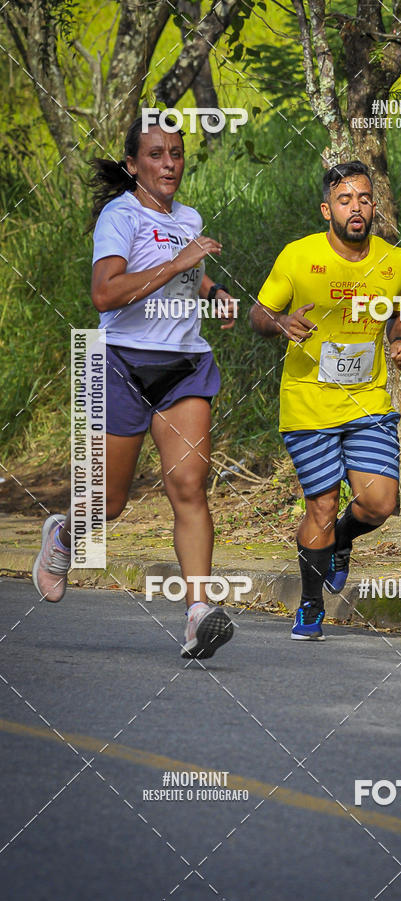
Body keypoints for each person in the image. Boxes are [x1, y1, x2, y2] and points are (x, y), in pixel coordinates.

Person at [33, 115, 236, 661]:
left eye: (176, 153)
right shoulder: (118, 216)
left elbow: (188, 275)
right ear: (133, 165)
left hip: (185, 366)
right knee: (111, 503)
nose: (169, 163)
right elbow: (105, 294)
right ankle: (64, 534)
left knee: (190, 486)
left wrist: (214, 292)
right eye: (155, 154)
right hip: (123, 362)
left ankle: (199, 613)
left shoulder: (187, 217)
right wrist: (179, 262)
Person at [250, 160, 401, 640]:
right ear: (328, 209)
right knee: (321, 506)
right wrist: (280, 323)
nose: (356, 207)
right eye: (345, 200)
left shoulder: (394, 260)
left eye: (364, 198)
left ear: (374, 205)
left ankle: (341, 542)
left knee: (380, 503)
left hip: (368, 402)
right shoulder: (297, 257)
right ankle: (310, 604)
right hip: (308, 403)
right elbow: (260, 312)